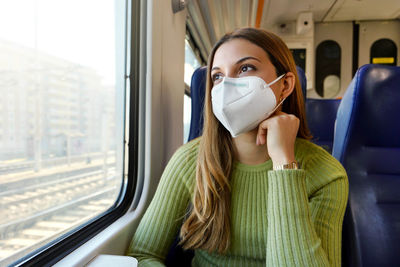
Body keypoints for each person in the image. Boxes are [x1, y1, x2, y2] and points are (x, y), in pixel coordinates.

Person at [127, 27, 348, 267]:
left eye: (245, 68)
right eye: (218, 76)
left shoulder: (327, 174)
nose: (227, 86)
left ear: (284, 85)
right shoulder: (189, 160)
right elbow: (142, 255)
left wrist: (284, 165)